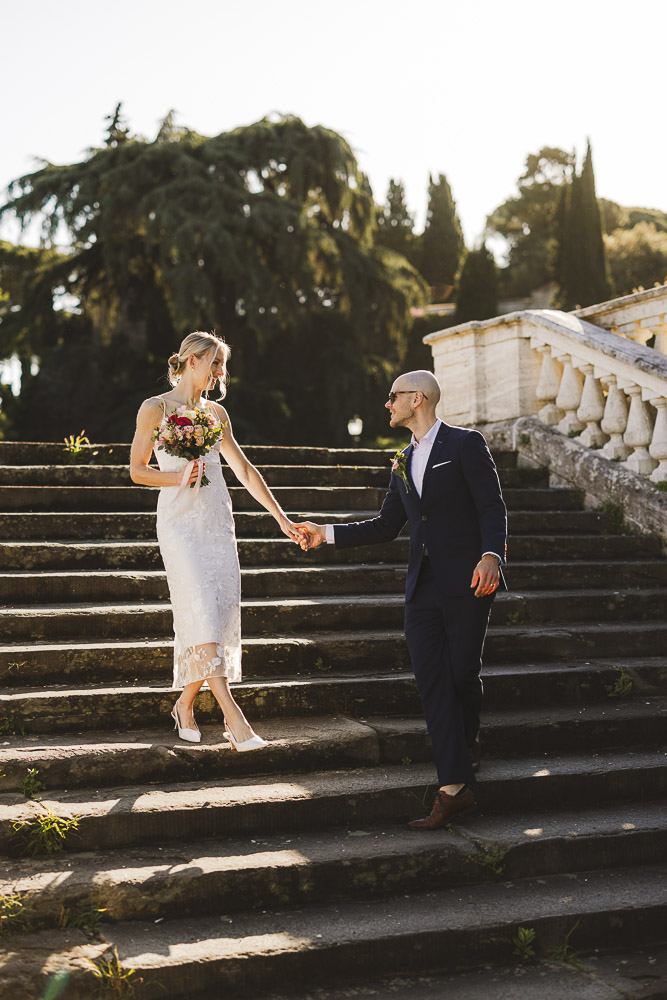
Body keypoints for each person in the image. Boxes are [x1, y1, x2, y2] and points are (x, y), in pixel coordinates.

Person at [298, 370, 507, 828]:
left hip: (471, 581)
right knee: (433, 679)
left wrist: (491, 554)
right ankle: (453, 790)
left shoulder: (465, 444)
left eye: (393, 397)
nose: (387, 404)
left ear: (418, 399)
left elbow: (492, 506)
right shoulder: (401, 460)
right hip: (422, 589)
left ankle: (466, 740)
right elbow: (384, 525)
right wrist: (325, 534)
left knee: (461, 676)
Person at [130, 331, 303, 751]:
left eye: (223, 365)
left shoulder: (217, 414)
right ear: (192, 361)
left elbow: (243, 469)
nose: (221, 373)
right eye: (215, 363)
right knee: (202, 608)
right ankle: (234, 718)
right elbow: (137, 470)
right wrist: (176, 477)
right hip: (179, 524)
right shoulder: (155, 408)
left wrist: (281, 518)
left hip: (216, 521)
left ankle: (185, 704)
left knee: (216, 614)